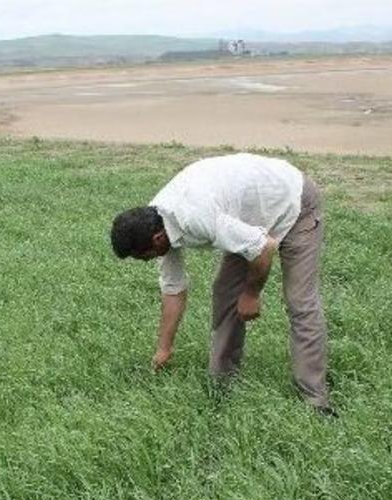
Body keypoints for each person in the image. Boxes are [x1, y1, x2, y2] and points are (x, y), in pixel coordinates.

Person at [110, 153, 333, 414]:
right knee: (225, 292)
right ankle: (222, 384)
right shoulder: (155, 220)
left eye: (143, 257)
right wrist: (164, 349)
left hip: (293, 202)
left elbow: (264, 247)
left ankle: (316, 400)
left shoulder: (195, 218)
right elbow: (173, 289)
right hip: (251, 216)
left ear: (157, 239)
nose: (146, 262)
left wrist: (251, 294)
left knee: (300, 302)